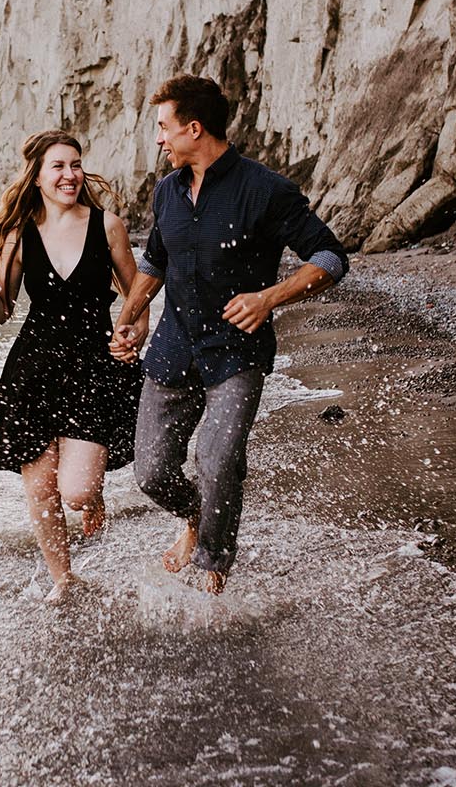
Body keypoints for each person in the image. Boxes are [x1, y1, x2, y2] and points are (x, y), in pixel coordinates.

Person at [110, 74, 348, 594]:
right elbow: (155, 262)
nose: (159, 139)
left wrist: (270, 298)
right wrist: (129, 317)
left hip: (237, 353)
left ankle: (212, 564)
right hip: (173, 349)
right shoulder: (167, 190)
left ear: (194, 129)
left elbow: (330, 256)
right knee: (151, 473)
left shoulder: (266, 190)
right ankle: (197, 519)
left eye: (163, 128)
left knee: (217, 460)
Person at [0, 131, 147, 602]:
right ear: (38, 175)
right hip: (33, 371)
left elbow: (139, 293)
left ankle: (94, 497)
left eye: (75, 165)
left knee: (74, 490)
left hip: (93, 368)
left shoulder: (106, 225)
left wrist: (133, 332)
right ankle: (63, 579)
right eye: (58, 167)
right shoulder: (18, 234)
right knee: (42, 492)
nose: (70, 175)